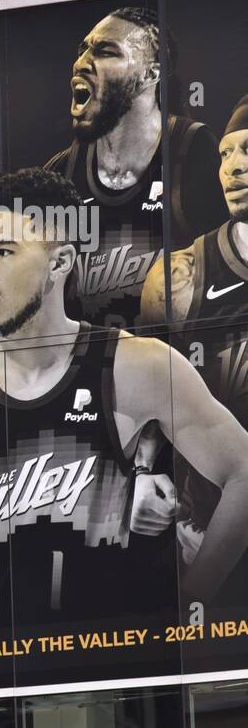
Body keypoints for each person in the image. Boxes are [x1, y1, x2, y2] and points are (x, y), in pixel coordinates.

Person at [0, 169, 248, 633]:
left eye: (5, 252)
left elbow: (242, 471)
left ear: (59, 264)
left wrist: (191, 603)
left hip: (103, 673)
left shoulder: (135, 365)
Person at [44, 6, 227, 329]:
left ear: (150, 74)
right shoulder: (61, 174)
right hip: (92, 370)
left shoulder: (193, 151)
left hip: (177, 365)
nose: (81, 62)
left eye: (104, 51)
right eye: (82, 49)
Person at [140, 93, 248, 597]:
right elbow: (147, 392)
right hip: (208, 535)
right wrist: (143, 473)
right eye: (225, 154)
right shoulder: (180, 275)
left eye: (247, 150)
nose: (233, 167)